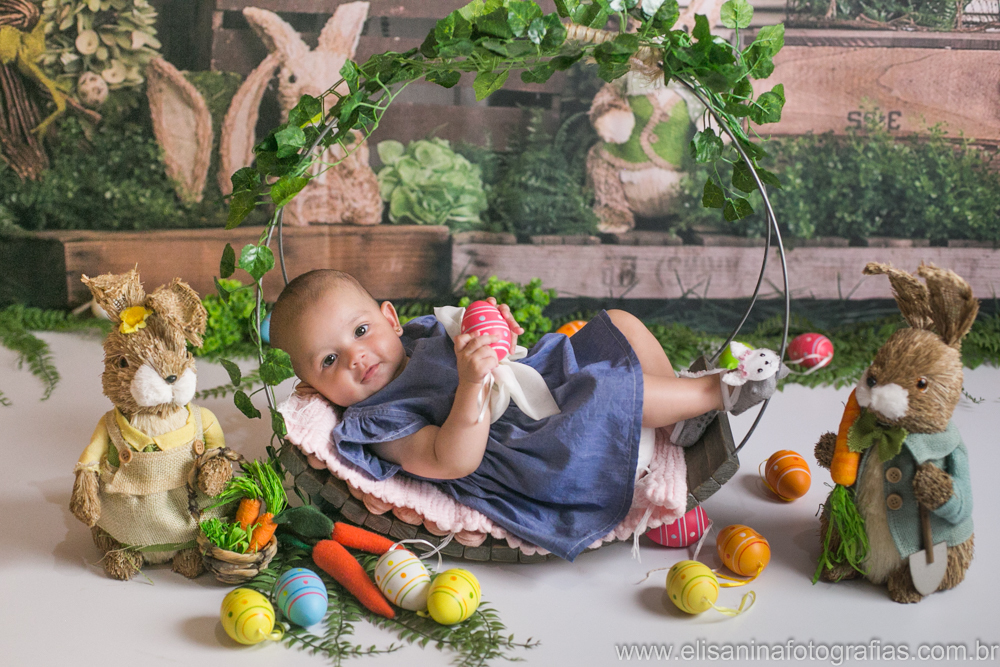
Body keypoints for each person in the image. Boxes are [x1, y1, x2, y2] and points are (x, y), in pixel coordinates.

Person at [269, 269, 777, 560]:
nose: (356, 356)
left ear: (391, 319)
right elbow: (452, 460)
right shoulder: (376, 421)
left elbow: (494, 350)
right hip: (533, 451)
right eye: (329, 360)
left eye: (360, 331)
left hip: (536, 386)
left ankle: (675, 415)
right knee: (602, 391)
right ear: (312, 385)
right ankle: (721, 390)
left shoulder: (423, 333)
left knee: (618, 324)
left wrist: (497, 334)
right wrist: (472, 384)